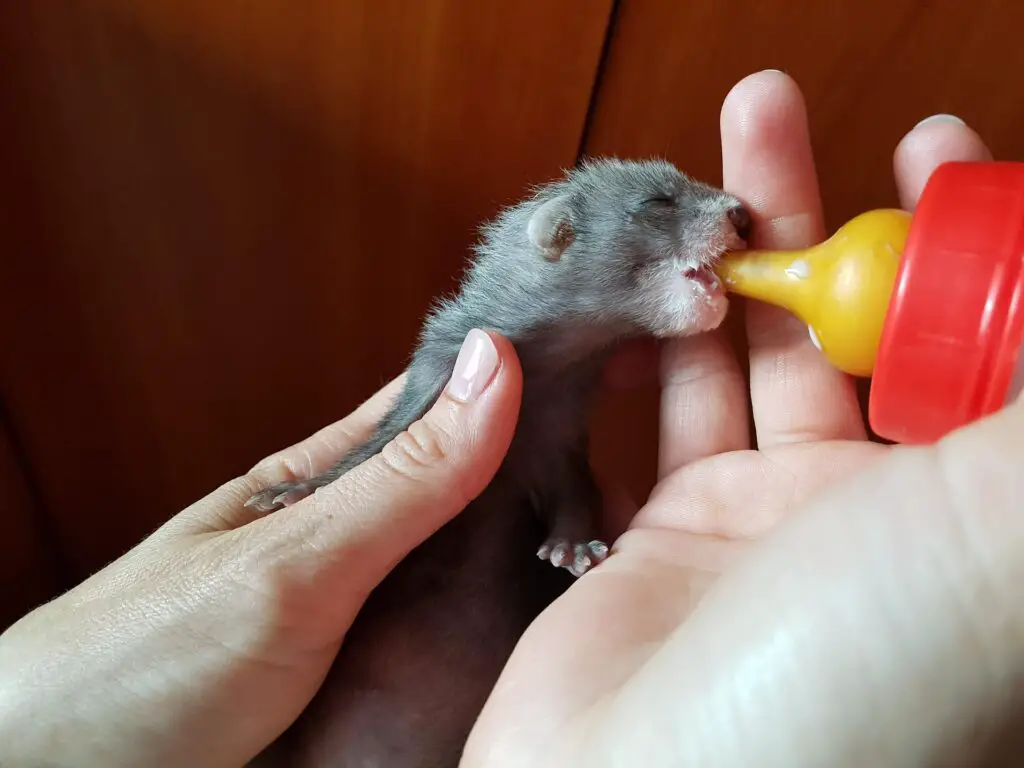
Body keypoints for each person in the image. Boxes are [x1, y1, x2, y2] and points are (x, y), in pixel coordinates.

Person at [0, 69, 1019, 767]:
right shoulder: (452, 371)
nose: (726, 215)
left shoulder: (558, 388)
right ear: (557, 242)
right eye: (664, 208)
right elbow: (381, 485)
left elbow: (553, 471)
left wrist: (571, 523)